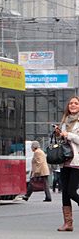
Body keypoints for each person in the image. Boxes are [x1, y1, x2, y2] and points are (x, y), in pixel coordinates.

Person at [52, 96, 79, 231]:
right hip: (64, 161)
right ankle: (68, 223)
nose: (73, 105)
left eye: (76, 103)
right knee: (65, 193)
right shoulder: (64, 120)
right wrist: (58, 133)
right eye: (70, 103)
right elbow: (62, 140)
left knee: (72, 191)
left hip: (76, 161)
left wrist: (68, 135)